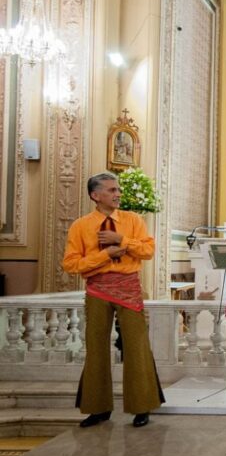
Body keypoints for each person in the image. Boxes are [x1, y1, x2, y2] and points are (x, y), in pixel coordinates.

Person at [62, 172, 164, 428]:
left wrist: (122, 240)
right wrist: (106, 255)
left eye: (118, 189)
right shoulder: (80, 226)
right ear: (95, 196)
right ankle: (98, 409)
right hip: (97, 290)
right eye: (111, 190)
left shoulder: (133, 220)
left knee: (136, 346)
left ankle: (142, 407)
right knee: (96, 348)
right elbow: (71, 264)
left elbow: (149, 251)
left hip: (129, 288)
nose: (118, 194)